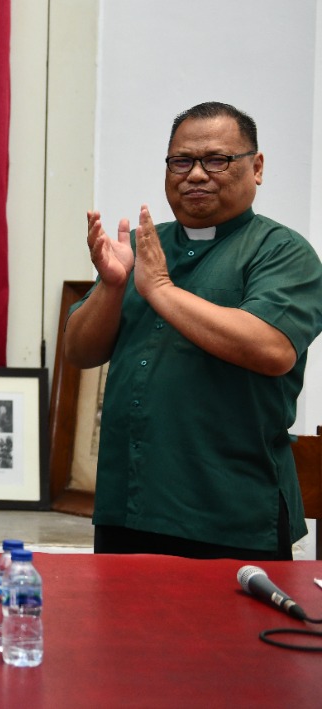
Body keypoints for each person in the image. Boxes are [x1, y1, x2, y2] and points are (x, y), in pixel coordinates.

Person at [64, 101, 322, 560]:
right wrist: (114, 285)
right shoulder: (145, 245)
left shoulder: (281, 250)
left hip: (229, 509)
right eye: (181, 161)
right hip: (128, 504)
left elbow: (272, 348)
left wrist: (161, 289)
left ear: (256, 167)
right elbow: (79, 351)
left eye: (217, 160)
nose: (196, 175)